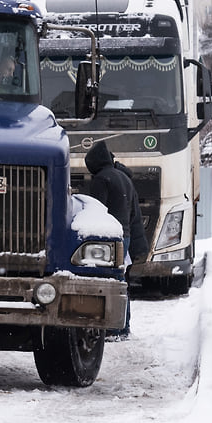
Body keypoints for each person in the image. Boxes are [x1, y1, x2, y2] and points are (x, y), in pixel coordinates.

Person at [83, 140, 148, 338]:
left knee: (109, 281)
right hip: (125, 236)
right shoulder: (124, 178)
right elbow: (134, 214)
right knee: (122, 281)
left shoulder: (102, 179)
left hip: (110, 237)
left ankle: (112, 328)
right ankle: (123, 326)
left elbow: (97, 210)